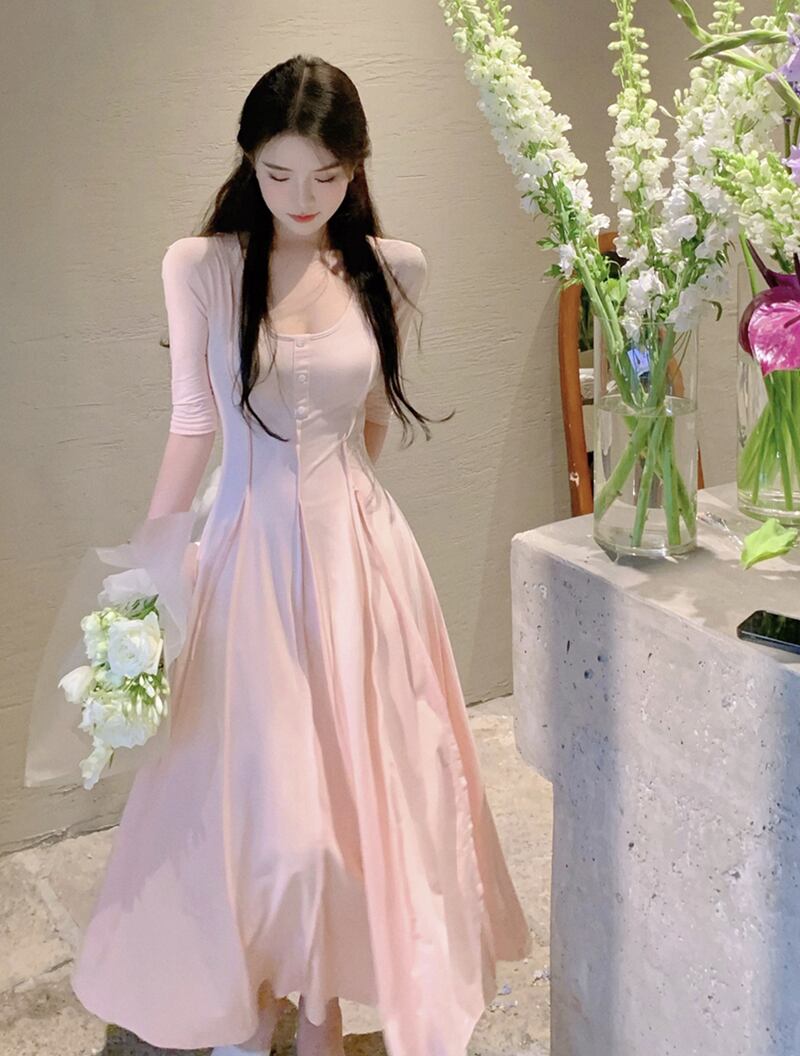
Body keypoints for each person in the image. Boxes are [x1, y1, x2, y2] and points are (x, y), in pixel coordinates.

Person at [63, 54, 531, 1056]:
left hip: (363, 565)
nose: (302, 197)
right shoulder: (201, 266)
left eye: (325, 176)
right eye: (278, 174)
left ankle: (320, 1007)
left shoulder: (392, 268)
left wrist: (344, 523)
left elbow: (371, 420)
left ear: (356, 166)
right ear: (249, 162)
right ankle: (255, 999)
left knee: (364, 804)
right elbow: (194, 424)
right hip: (245, 556)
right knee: (266, 812)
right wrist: (149, 570)